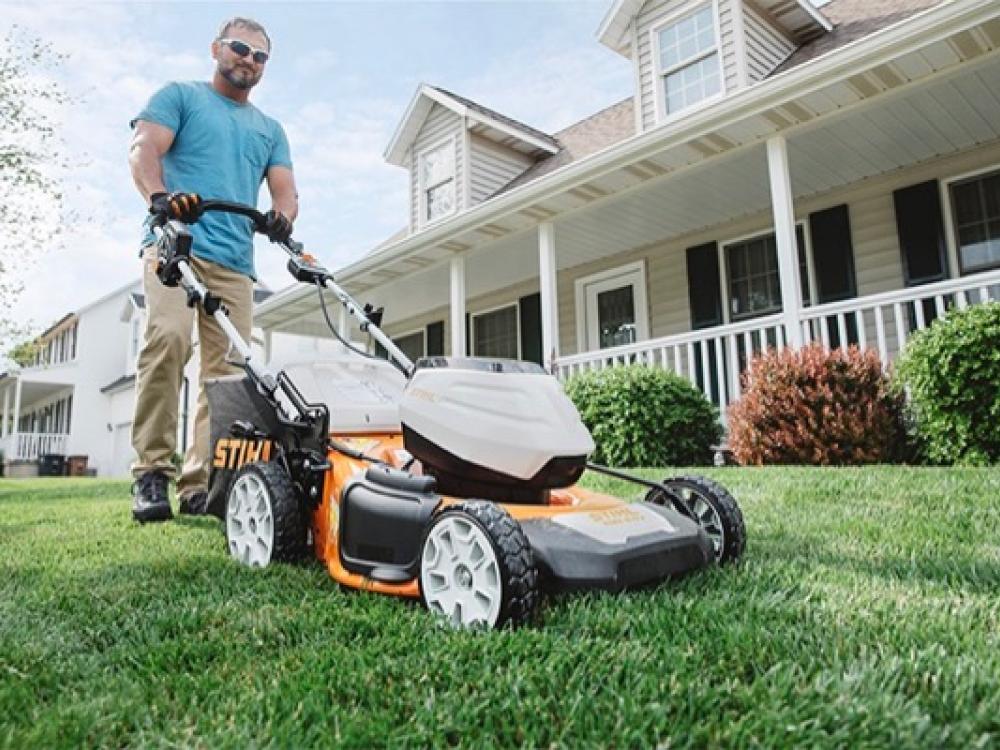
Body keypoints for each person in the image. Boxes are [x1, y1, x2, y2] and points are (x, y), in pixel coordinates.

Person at [127, 17, 297, 522]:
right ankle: (152, 472)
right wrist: (161, 197)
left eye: (260, 56)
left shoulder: (269, 130)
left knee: (227, 377)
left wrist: (280, 219)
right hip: (175, 245)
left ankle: (201, 485)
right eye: (241, 49)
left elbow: (285, 192)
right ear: (217, 49)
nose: (249, 59)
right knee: (168, 340)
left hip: (235, 264)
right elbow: (143, 150)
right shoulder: (180, 96)